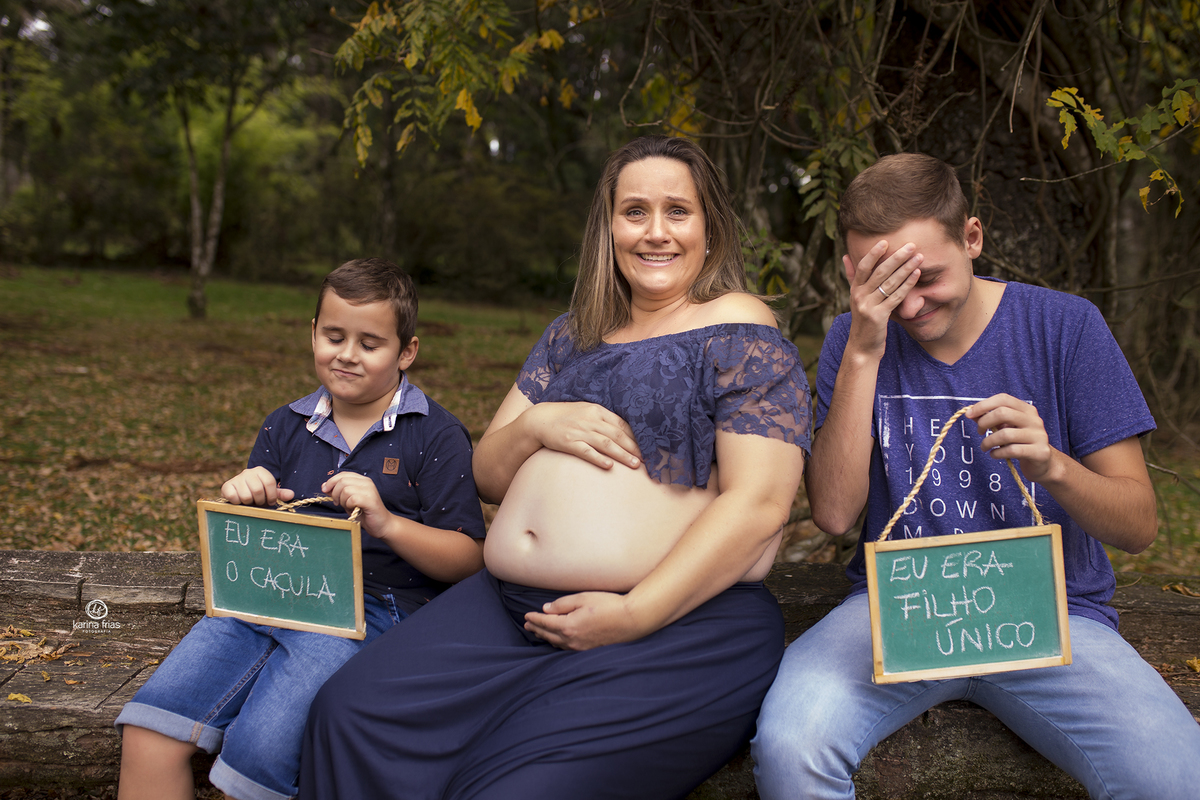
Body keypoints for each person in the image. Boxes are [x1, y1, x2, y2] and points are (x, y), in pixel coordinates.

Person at [299, 136, 811, 800]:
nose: (655, 232)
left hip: (672, 626)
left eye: (677, 211)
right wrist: (539, 423)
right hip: (505, 611)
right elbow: (487, 473)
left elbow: (759, 505)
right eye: (635, 212)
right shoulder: (574, 332)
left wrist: (636, 615)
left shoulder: (737, 325)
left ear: (709, 226)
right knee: (349, 716)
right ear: (609, 228)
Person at [752, 153, 1200, 800]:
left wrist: (1053, 466)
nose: (909, 304)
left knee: (1177, 775)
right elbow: (833, 513)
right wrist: (864, 350)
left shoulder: (1066, 328)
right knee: (790, 747)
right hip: (899, 609)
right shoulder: (855, 341)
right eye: (884, 284)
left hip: (1049, 616)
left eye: (927, 276)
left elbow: (1139, 525)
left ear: (972, 238)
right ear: (853, 273)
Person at [115, 258, 486, 800]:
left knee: (258, 753)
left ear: (407, 351)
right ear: (313, 333)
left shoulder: (436, 435)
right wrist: (247, 497)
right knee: (149, 728)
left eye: (370, 343)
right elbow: (258, 540)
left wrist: (387, 521)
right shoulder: (285, 425)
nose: (347, 354)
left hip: (368, 611)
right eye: (334, 335)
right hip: (265, 598)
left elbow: (468, 558)